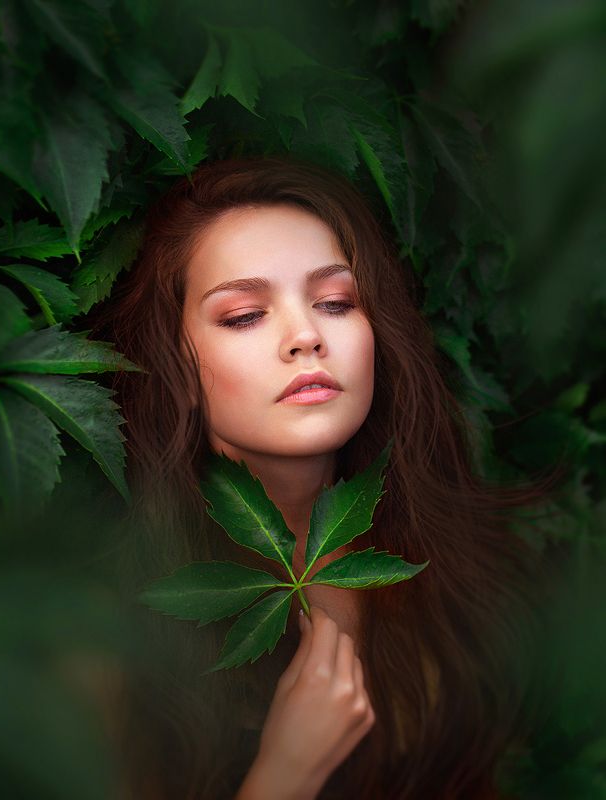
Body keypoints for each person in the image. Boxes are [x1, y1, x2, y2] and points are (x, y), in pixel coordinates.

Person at [101, 156, 546, 799]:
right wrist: (286, 774)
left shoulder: (448, 568)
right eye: (244, 315)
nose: (305, 335)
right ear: (177, 366)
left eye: (335, 302)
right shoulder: (111, 629)